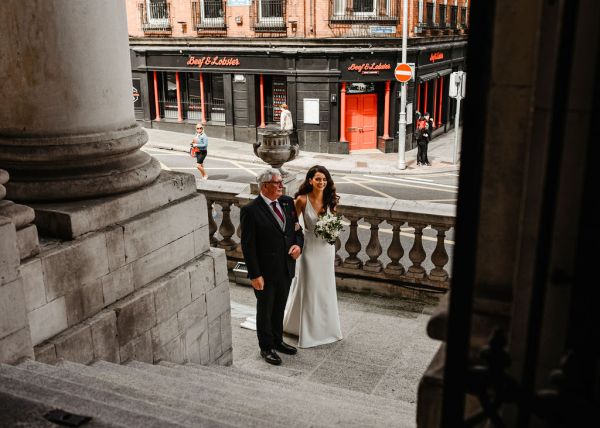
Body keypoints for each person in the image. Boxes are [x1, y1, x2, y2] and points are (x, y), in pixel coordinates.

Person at [240, 169, 304, 366]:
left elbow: (296, 230)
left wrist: (298, 246)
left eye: (281, 182)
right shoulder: (250, 210)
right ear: (265, 186)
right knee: (265, 309)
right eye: (277, 183)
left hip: (285, 267)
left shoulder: (286, 202)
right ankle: (266, 347)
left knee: (279, 307)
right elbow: (248, 246)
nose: (281, 186)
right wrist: (255, 274)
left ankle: (278, 340)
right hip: (265, 272)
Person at [283, 165, 343, 348]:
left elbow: (334, 221)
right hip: (309, 249)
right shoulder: (301, 200)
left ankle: (326, 329)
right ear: (310, 180)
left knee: (325, 287)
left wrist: (332, 231)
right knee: (309, 286)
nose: (321, 182)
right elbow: (291, 225)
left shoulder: (331, 199)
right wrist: (294, 245)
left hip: (326, 249)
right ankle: (307, 331)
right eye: (318, 179)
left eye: (324, 179)